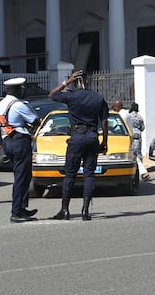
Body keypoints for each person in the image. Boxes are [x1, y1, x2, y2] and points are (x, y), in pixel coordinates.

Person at [49, 69, 109, 221]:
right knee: (89, 174)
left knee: (70, 174)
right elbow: (104, 121)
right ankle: (85, 211)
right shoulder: (98, 98)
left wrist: (66, 82)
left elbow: (52, 95)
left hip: (77, 137)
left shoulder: (71, 96)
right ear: (87, 81)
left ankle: (65, 210)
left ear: (74, 82)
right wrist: (105, 141)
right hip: (92, 137)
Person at [0, 77, 38, 223]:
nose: (23, 90)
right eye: (21, 88)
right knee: (21, 177)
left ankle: (22, 207)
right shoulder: (18, 105)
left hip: (7, 141)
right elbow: (35, 120)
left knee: (23, 175)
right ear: (16, 90)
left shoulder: (1, 104)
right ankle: (16, 212)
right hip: (19, 142)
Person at [127, 102, 150, 181]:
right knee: (138, 154)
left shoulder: (128, 116)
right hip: (137, 136)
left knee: (132, 154)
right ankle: (141, 171)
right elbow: (142, 128)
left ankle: (138, 171)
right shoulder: (139, 117)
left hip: (130, 136)